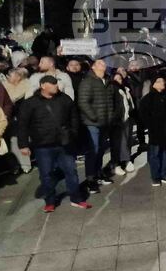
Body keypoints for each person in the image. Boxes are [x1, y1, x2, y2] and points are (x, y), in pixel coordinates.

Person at [17, 76, 92, 211]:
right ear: (43, 86)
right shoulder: (30, 103)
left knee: (71, 171)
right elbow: (22, 124)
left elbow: (74, 116)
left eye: (56, 84)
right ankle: (50, 201)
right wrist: (23, 144)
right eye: (52, 84)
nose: (55, 86)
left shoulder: (64, 99)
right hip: (42, 145)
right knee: (46, 174)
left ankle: (76, 198)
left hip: (64, 143)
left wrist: (73, 132)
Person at [77, 59, 116, 193]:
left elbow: (111, 101)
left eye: (105, 64)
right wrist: (94, 117)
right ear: (93, 67)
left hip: (105, 122)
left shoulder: (107, 81)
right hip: (92, 123)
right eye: (100, 63)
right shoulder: (88, 81)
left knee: (100, 150)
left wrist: (110, 117)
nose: (103, 65)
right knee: (93, 151)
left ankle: (99, 174)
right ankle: (90, 179)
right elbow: (83, 102)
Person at [138, 75, 166, 186]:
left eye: (163, 81)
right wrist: (151, 125)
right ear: (153, 84)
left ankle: (164, 174)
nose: (162, 83)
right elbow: (143, 114)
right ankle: (155, 176)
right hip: (155, 132)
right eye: (159, 81)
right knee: (154, 155)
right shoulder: (148, 98)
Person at [110, 72, 137, 176]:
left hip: (127, 118)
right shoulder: (112, 89)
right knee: (118, 142)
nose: (118, 81)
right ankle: (116, 164)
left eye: (120, 79)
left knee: (127, 140)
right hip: (117, 120)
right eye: (116, 79)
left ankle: (126, 160)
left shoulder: (126, 89)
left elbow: (131, 103)